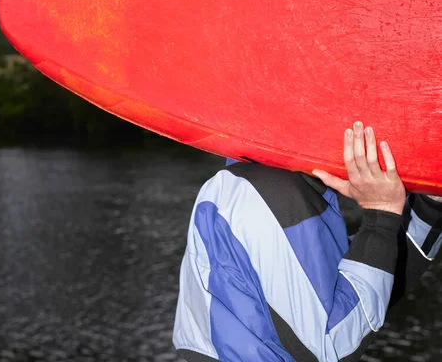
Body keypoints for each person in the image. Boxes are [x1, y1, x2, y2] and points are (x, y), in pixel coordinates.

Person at [172, 120, 442, 361]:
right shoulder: (272, 198)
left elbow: (366, 280)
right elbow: (334, 347)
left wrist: (431, 205)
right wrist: (380, 213)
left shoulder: (267, 181)